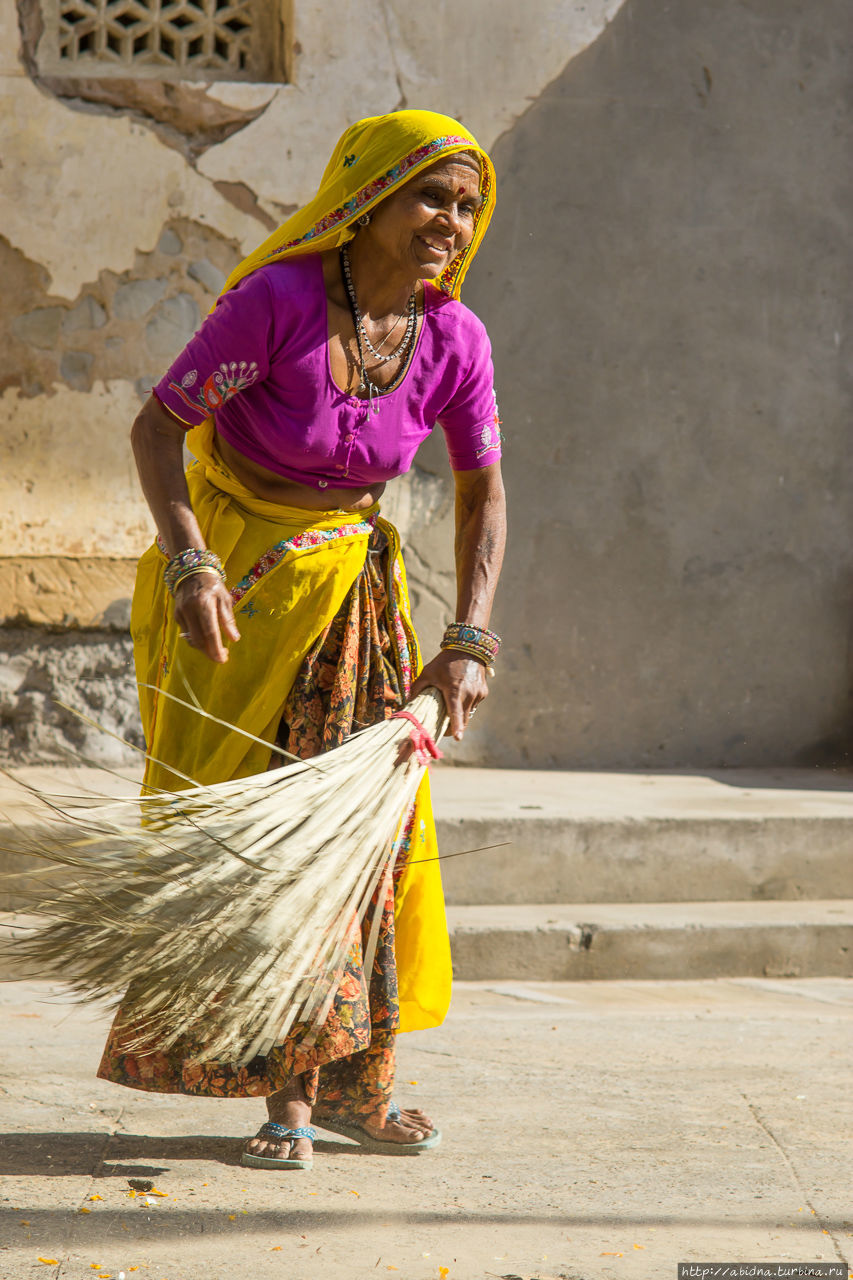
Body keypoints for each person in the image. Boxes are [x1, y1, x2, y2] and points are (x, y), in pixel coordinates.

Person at [96, 109, 507, 1171]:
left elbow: (481, 494)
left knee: (362, 842)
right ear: (364, 197)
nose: (450, 224)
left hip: (357, 605)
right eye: (430, 198)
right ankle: (285, 1087)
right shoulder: (274, 305)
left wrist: (466, 637)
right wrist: (187, 559)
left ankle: (351, 1088)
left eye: (465, 206)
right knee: (262, 840)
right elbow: (157, 428)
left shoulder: (453, 339)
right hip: (236, 596)